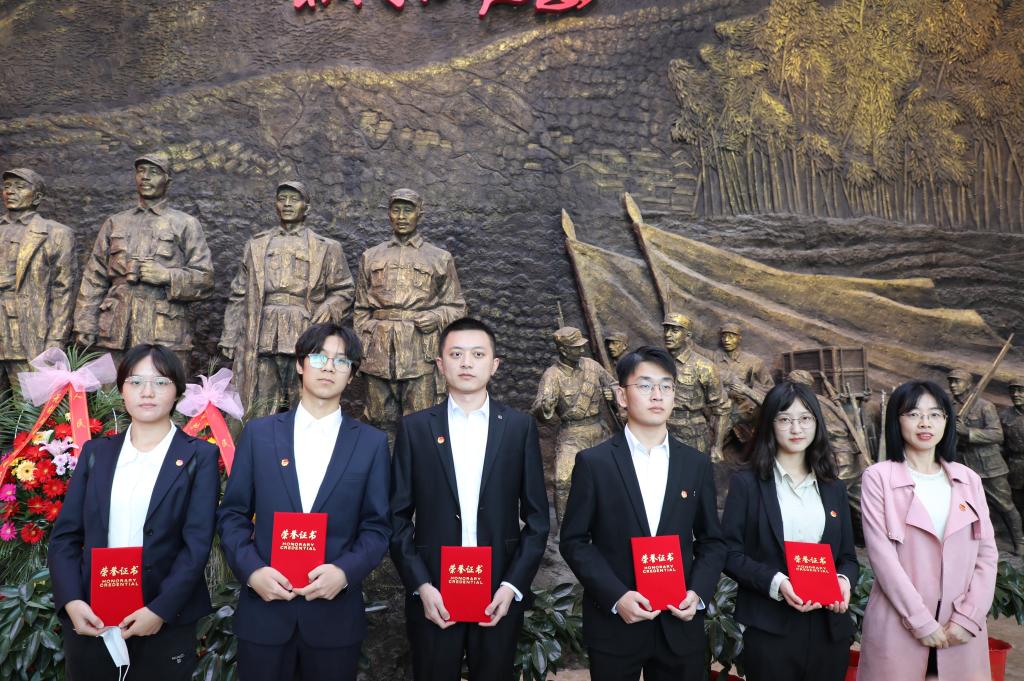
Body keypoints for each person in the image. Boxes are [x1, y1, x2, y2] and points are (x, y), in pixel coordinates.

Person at [218, 323, 391, 681]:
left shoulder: (371, 444)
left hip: (333, 618)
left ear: (351, 375)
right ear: (300, 364)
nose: (329, 367)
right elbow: (233, 514)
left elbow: (377, 527)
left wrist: (344, 572)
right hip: (265, 612)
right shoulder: (260, 434)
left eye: (341, 361)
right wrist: (252, 571)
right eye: (319, 357)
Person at [390, 317, 549, 681]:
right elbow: (396, 517)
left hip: (498, 591)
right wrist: (421, 585)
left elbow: (538, 519)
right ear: (440, 364)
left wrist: (512, 586)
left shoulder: (518, 427)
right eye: (456, 354)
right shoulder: (415, 428)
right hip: (434, 592)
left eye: (478, 354)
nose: (466, 363)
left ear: (494, 365)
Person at [49, 344, 220, 681]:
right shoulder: (96, 453)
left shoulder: (199, 456)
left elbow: (197, 544)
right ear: (122, 390)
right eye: (136, 381)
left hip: (163, 618)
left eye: (161, 382)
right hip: (92, 616)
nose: (147, 392)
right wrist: (72, 601)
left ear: (177, 392)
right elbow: (65, 537)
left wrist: (160, 609)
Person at [560, 346, 726, 681]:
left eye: (666, 386)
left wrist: (697, 594)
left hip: (679, 624)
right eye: (645, 385)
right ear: (622, 396)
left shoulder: (694, 464)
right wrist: (616, 596)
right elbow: (574, 541)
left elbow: (712, 541)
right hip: (616, 624)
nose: (657, 395)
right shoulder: (594, 463)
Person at [859, 380, 997, 681]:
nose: (925, 423)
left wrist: (969, 617)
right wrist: (920, 621)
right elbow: (882, 557)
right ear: (896, 420)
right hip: (900, 624)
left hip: (958, 628)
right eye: (913, 414)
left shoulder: (968, 479)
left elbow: (987, 556)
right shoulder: (878, 478)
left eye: (935, 414)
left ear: (946, 421)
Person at [721, 381, 858, 681]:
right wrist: (778, 582)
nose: (796, 428)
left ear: (817, 424)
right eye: (784, 419)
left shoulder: (833, 488)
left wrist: (843, 580)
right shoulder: (747, 485)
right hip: (770, 627)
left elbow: (847, 557)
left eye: (805, 418)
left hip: (828, 627)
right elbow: (729, 553)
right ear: (770, 426)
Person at [219, 180, 354, 417]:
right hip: (263, 331)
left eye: (294, 199)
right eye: (282, 199)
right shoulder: (256, 245)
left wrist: (329, 306)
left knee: (303, 398)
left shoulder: (327, 248)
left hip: (305, 330)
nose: (288, 204)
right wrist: (230, 337)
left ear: (306, 207)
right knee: (260, 402)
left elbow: (345, 290)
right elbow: (239, 293)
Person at [74, 153, 214, 372]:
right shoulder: (115, 222)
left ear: (167, 181)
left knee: (163, 387)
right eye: (141, 171)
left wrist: (166, 276)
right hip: (116, 331)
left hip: (164, 332)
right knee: (111, 390)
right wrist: (85, 322)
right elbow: (95, 276)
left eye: (154, 172)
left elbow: (205, 280)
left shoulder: (185, 224)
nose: (145, 177)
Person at [354, 188, 466, 433]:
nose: (402, 217)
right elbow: (361, 307)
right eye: (396, 210)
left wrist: (436, 317)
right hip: (378, 352)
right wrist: (364, 346)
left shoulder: (439, 257)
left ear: (420, 214)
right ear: (389, 214)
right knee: (378, 421)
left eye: (408, 210)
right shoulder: (370, 256)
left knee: (420, 422)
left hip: (419, 353)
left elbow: (457, 307)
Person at [0, 167, 76, 394]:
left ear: (37, 197)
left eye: (20, 187)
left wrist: (56, 339)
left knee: (30, 406)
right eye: (7, 186)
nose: (10, 191)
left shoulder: (57, 234)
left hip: (30, 335)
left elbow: (64, 291)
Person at [531, 325, 617, 523]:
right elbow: (538, 409)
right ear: (563, 350)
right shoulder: (552, 375)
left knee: (613, 476)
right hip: (572, 434)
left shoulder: (592, 366)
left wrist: (612, 393)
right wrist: (545, 406)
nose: (581, 349)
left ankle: (610, 523)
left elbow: (614, 385)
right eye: (576, 347)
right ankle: (565, 528)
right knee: (562, 480)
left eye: (581, 345)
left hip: (599, 430)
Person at [947, 368, 1023, 554]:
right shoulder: (947, 406)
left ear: (968, 385)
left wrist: (968, 432)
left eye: (957, 381)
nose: (953, 385)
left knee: (1005, 504)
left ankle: (1019, 541)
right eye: (951, 381)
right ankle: (972, 542)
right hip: (961, 464)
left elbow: (997, 435)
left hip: (989, 466)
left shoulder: (984, 406)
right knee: (964, 505)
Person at [661, 313, 730, 461]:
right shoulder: (655, 363)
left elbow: (721, 409)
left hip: (691, 436)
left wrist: (717, 446)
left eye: (675, 330)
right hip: (657, 433)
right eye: (666, 329)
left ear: (687, 335)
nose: (668, 335)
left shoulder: (705, 367)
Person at [999, 377, 1024, 518]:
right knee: (1017, 503)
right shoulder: (1005, 415)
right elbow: (1000, 443)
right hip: (1015, 466)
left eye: (1020, 391)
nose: (1015, 394)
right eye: (1013, 391)